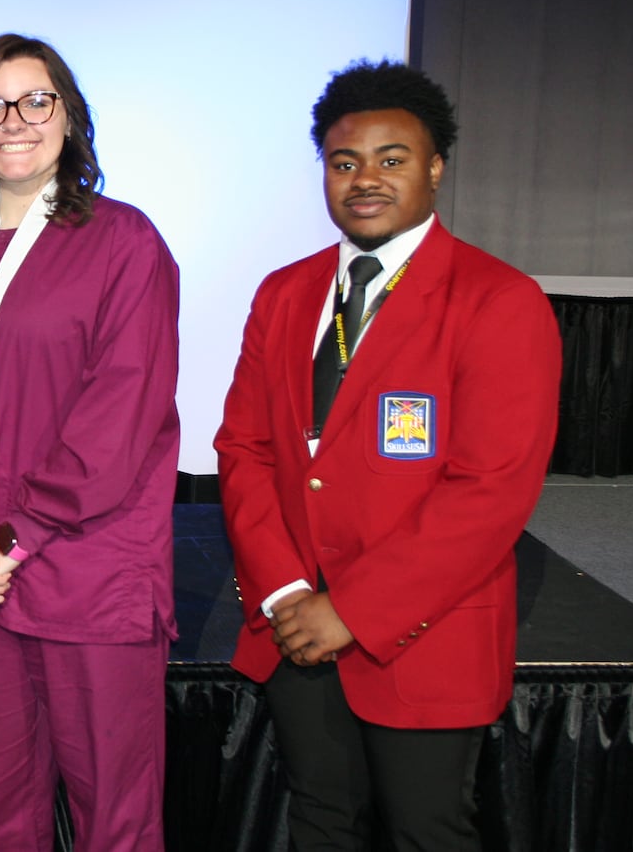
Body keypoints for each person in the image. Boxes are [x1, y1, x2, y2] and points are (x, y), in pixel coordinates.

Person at [215, 59, 562, 851]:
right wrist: (286, 592)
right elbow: (244, 448)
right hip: (294, 622)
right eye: (345, 162)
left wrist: (353, 609)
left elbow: (490, 492)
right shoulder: (283, 293)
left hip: (424, 634)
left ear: (435, 168)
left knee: (427, 830)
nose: (364, 179)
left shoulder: (499, 300)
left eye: (392, 159)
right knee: (321, 817)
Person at [0, 33, 181, 850]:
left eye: (35, 100)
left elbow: (119, 420)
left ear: (68, 117)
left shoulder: (126, 243)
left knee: (115, 825)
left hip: (87, 580)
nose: (12, 119)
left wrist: (11, 539)